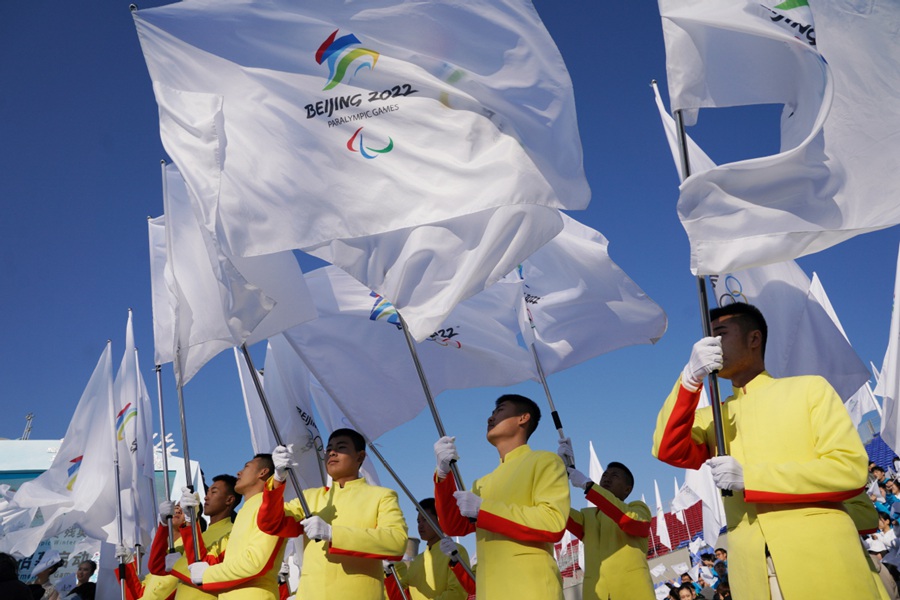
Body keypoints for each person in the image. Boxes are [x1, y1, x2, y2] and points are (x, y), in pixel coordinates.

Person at [652, 302, 884, 598]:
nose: (711, 344)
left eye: (720, 333)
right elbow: (667, 448)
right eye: (706, 339)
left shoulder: (810, 389)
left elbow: (849, 470)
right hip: (753, 575)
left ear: (754, 339)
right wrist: (689, 378)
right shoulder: (713, 418)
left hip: (824, 563)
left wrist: (752, 478)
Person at [433, 394, 570, 600]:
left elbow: (553, 522)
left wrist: (483, 509)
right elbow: (454, 526)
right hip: (490, 591)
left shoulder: (545, 460)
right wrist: (443, 474)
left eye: (499, 411)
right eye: (491, 413)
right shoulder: (481, 483)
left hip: (531, 589)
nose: (490, 418)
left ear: (523, 418)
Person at [257, 429, 408, 600]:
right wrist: (278, 478)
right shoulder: (309, 497)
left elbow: (396, 541)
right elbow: (271, 523)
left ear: (360, 457)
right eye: (329, 449)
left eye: (341, 447)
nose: (332, 453)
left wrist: (333, 533)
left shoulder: (382, 496)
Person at [555, 442, 654, 600]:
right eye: (604, 476)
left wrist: (587, 485)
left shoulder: (638, 509)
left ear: (627, 489)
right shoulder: (587, 517)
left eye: (614, 476)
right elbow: (556, 509)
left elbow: (629, 520)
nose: (607, 479)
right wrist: (559, 474)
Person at [187, 454, 287, 599]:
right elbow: (207, 560)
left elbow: (255, 562)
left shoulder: (268, 506)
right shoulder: (245, 512)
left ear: (262, 472)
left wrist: (208, 574)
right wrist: (190, 520)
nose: (238, 472)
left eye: (246, 466)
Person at [164, 475, 241, 598]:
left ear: (229, 500)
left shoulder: (233, 532)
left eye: (214, 492)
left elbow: (207, 573)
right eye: (208, 492)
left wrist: (177, 565)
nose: (206, 497)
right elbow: (157, 566)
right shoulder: (201, 534)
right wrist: (163, 524)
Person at [384, 498, 472, 600]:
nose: (420, 525)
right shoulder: (417, 561)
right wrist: (389, 572)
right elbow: (397, 594)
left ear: (440, 520)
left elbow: (457, 594)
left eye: (425, 519)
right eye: (418, 521)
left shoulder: (456, 552)